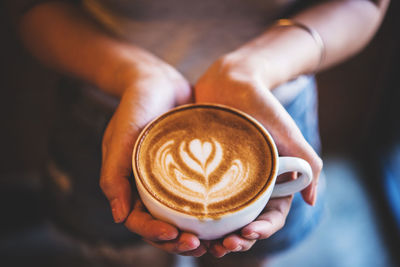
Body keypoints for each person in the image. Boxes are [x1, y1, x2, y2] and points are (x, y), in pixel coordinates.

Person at [9, 0, 389, 266]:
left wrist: (255, 67)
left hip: (270, 116)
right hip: (109, 113)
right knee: (118, 256)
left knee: (247, 256)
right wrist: (132, 73)